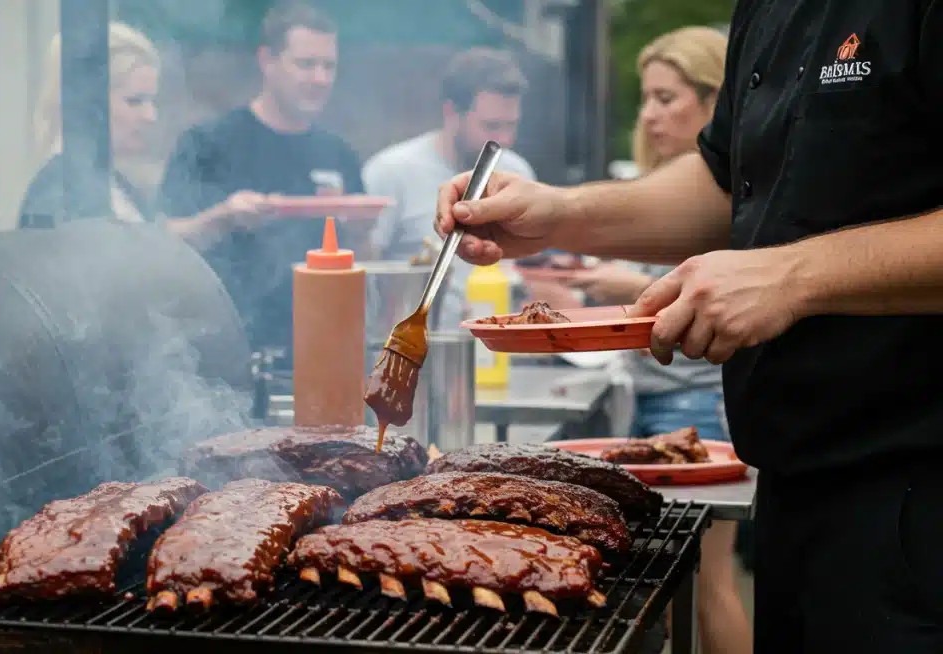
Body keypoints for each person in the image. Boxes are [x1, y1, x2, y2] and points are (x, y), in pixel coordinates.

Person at [436, 2, 943, 649]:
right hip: (799, 493)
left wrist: (791, 276)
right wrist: (557, 215)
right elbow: (725, 185)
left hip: (921, 499)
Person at [562, 27, 750, 654]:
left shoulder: (736, 193)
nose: (648, 114)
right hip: (653, 403)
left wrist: (615, 293)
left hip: (704, 409)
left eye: (666, 98)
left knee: (709, 582)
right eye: (646, 98)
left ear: (716, 100)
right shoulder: (657, 183)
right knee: (658, 583)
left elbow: (690, 315)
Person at [157, 1, 364, 366]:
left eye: (328, 66)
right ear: (267, 60)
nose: (319, 78)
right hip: (226, 352)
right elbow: (161, 241)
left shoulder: (339, 154)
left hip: (322, 352)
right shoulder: (209, 143)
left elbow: (362, 261)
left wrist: (363, 230)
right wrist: (222, 217)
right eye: (305, 64)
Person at [21, 23, 266, 237]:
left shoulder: (109, 181)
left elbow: (152, 244)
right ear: (87, 103)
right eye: (135, 101)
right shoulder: (60, 193)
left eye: (151, 101)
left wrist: (222, 218)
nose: (151, 116)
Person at [363, 48, 537, 328]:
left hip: (495, 350)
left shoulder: (518, 174)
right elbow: (364, 273)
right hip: (409, 347)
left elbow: (522, 272)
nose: (504, 140)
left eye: (511, 126)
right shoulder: (391, 171)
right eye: (491, 126)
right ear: (451, 112)